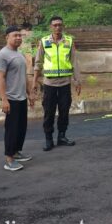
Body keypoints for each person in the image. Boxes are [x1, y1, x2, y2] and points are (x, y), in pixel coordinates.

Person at [32, 15, 82, 151]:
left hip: (65, 83)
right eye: (55, 25)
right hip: (49, 84)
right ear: (50, 27)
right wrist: (34, 81)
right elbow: (38, 63)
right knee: (49, 112)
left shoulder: (69, 41)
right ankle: (48, 139)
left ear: (63, 26)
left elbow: (74, 62)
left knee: (64, 111)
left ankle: (62, 136)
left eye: (60, 25)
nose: (57, 27)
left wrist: (77, 81)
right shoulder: (44, 42)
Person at [0, 26, 35, 171]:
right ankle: (9, 160)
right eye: (15, 35)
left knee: (21, 128)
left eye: (19, 35)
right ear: (7, 37)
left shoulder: (19, 54)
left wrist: (30, 93)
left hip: (21, 97)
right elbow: (0, 78)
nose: (18, 38)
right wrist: (4, 100)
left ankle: (16, 152)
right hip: (11, 99)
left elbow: (24, 76)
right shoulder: (2, 55)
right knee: (12, 129)